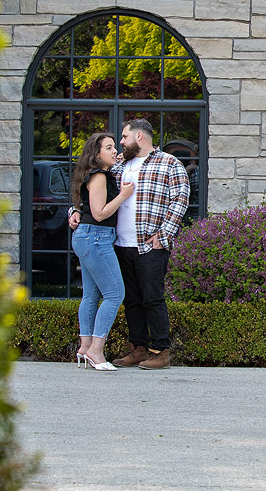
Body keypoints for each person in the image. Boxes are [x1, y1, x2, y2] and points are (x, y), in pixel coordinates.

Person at [70, 118, 189, 370]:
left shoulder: (169, 163)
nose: (120, 143)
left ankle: (160, 351)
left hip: (150, 245)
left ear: (139, 137)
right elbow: (91, 189)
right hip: (118, 245)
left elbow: (180, 200)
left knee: (152, 298)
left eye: (123, 137)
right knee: (130, 299)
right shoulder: (117, 165)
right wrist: (75, 210)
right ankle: (138, 348)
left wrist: (164, 235)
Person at [71, 132, 135, 372]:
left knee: (90, 295)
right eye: (108, 148)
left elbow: (84, 208)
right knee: (115, 294)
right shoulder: (98, 176)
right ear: (97, 154)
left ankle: (85, 347)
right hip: (96, 238)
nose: (114, 151)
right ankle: (96, 351)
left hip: (89, 237)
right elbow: (99, 213)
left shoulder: (100, 173)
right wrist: (123, 195)